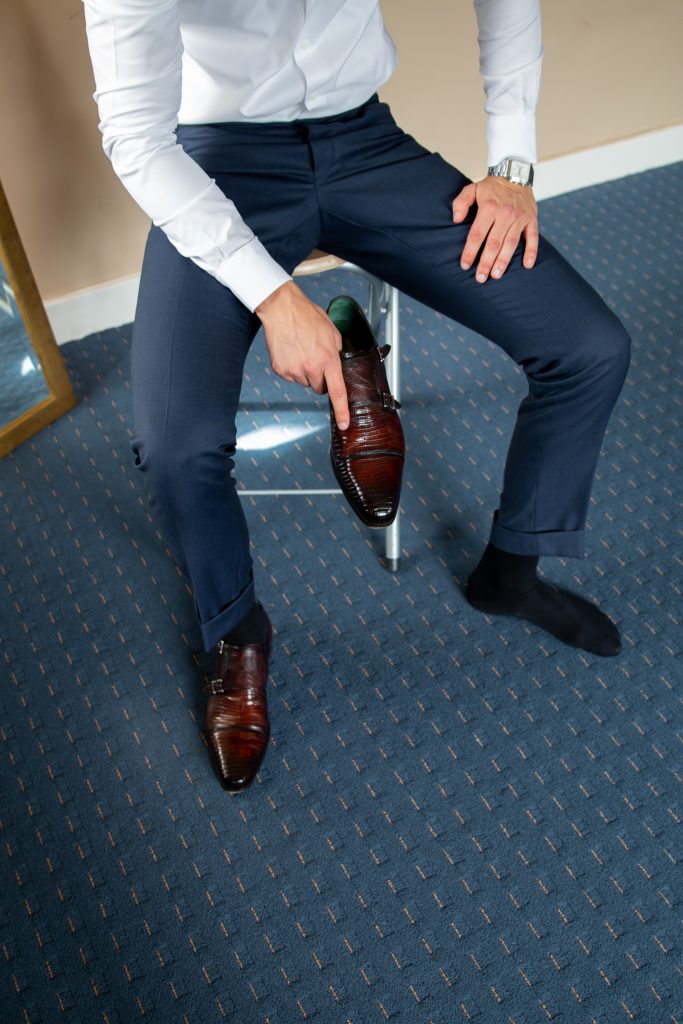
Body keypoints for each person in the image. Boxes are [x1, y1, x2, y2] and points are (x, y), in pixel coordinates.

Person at [82, 0, 631, 790]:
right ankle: (236, 633)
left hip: (365, 145)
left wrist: (511, 164)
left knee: (588, 346)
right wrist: (274, 298)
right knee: (175, 447)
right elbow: (136, 137)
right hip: (211, 162)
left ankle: (509, 574)